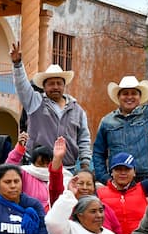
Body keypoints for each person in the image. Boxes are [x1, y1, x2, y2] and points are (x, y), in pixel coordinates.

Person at [10, 41, 92, 171]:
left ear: (64, 86)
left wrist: (85, 165)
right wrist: (18, 64)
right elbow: (22, 87)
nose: (55, 87)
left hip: (67, 169)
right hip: (38, 167)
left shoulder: (77, 110)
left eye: (59, 83)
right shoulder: (35, 102)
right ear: (44, 86)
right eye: (51, 83)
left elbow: (84, 139)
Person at [49, 136, 121, 234]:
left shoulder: (104, 209)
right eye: (80, 183)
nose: (85, 187)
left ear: (94, 187)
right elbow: (55, 186)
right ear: (72, 184)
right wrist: (57, 159)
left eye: (89, 184)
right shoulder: (66, 205)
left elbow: (117, 232)